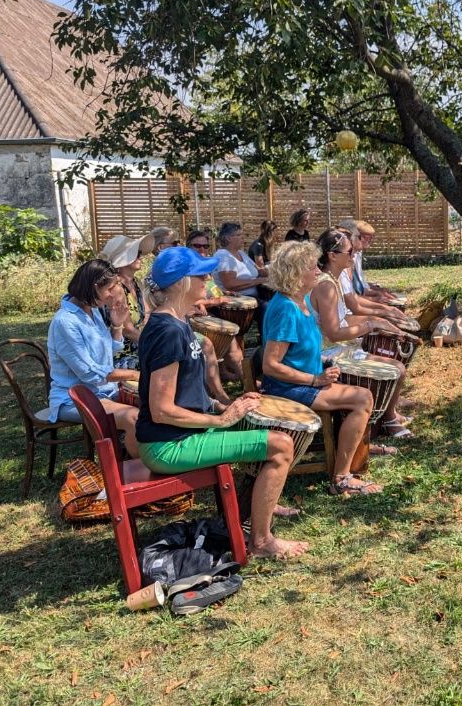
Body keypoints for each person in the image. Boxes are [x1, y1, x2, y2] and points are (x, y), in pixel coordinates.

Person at [136, 247, 308, 560]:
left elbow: (186, 395)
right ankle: (261, 540)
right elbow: (161, 409)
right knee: (282, 445)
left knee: (261, 424)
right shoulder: (167, 331)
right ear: (182, 282)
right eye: (201, 274)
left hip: (177, 437)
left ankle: (250, 513)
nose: (207, 279)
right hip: (167, 446)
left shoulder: (178, 321)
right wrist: (222, 420)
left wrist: (223, 406)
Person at [261, 240, 383, 496]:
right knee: (363, 398)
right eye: (311, 267)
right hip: (289, 388)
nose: (318, 271)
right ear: (294, 273)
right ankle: (341, 478)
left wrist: (323, 364)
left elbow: (300, 351)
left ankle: (349, 464)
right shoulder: (285, 309)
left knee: (359, 392)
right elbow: (271, 365)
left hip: (302, 382)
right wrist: (315, 379)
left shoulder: (300, 300)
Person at [310, 228, 413, 443]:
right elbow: (333, 333)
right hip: (327, 355)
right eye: (349, 252)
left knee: (396, 365)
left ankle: (386, 416)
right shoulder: (326, 286)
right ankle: (388, 419)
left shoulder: (332, 280)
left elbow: (343, 320)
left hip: (337, 347)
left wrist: (380, 321)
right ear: (332, 255)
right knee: (398, 368)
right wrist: (370, 324)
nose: (353, 254)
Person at [47, 259, 140, 456]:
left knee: (155, 403)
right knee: (134, 418)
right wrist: (133, 374)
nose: (110, 296)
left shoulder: (92, 310)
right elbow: (90, 374)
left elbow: (108, 353)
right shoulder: (66, 322)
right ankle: (136, 474)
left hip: (103, 391)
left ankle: (137, 455)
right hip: (74, 398)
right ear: (93, 287)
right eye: (109, 289)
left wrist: (116, 326)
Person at [183, 229, 244, 386]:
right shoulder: (185, 270)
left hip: (211, 313)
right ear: (188, 246)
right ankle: (242, 377)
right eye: (198, 246)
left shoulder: (206, 267)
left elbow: (210, 289)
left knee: (232, 339)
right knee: (228, 340)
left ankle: (232, 373)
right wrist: (212, 302)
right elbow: (185, 301)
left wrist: (225, 293)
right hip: (194, 317)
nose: (203, 250)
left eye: (206, 246)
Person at [98, 233, 155, 369]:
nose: (140, 256)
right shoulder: (116, 288)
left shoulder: (136, 283)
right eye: (136, 253)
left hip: (139, 346)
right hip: (121, 353)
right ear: (122, 259)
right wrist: (155, 346)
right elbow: (128, 331)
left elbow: (146, 315)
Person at [213, 221, 272, 322]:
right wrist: (258, 281)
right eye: (239, 235)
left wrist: (278, 271)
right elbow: (230, 284)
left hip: (255, 295)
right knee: (268, 309)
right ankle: (268, 337)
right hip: (239, 298)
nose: (243, 237)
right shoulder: (223, 256)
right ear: (228, 238)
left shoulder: (241, 253)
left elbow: (260, 271)